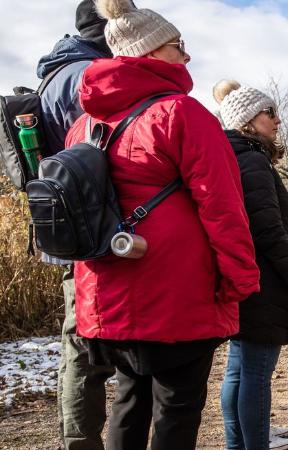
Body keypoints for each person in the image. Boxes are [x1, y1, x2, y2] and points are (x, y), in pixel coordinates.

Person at [63, 1, 260, 449]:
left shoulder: (85, 125)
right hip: (177, 299)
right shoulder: (181, 114)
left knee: (128, 403)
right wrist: (240, 280)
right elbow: (224, 208)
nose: (186, 57)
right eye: (178, 46)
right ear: (148, 53)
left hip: (104, 298)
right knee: (176, 410)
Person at [213, 79, 288, 450]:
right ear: (247, 119)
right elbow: (268, 231)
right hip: (263, 283)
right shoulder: (252, 160)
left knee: (238, 370)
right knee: (254, 373)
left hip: (244, 280)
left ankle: (236, 446)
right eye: (269, 112)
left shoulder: (233, 156)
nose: (277, 120)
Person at [35, 2, 116, 448]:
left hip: (67, 228)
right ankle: (81, 442)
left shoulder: (57, 70)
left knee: (82, 341)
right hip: (89, 232)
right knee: (85, 344)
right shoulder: (87, 75)